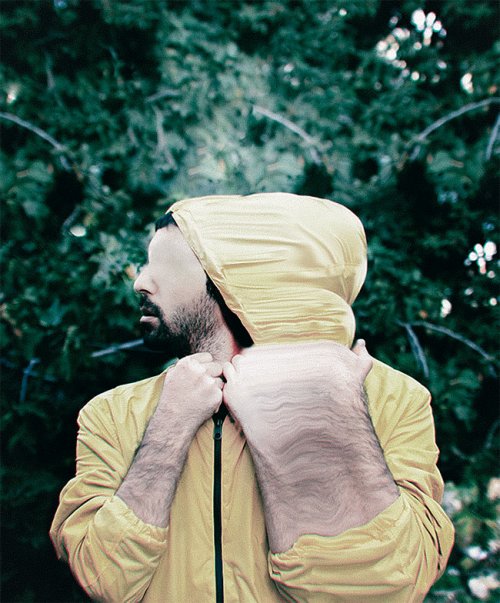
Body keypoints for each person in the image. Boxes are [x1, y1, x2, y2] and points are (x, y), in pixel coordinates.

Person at [50, 192, 454, 603]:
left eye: (164, 264)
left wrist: (324, 411)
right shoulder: (113, 413)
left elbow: (385, 588)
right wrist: (168, 427)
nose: (141, 282)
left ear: (234, 278)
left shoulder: (392, 400)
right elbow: (104, 579)